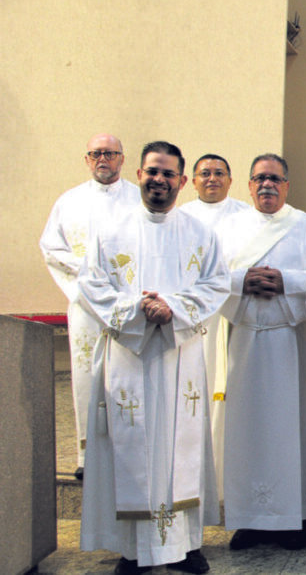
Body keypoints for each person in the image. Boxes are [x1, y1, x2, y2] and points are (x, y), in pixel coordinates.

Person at [77, 141, 229, 575]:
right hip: (129, 354)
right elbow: (91, 285)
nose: (159, 180)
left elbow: (217, 283)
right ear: (139, 175)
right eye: (152, 172)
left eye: (168, 173)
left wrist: (173, 308)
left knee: (183, 448)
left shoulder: (201, 233)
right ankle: (133, 551)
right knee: (133, 448)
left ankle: (187, 545)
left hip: (180, 356)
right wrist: (137, 308)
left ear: (181, 181)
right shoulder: (111, 231)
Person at [216, 154, 306, 551]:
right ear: (249, 186)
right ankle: (249, 520)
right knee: (247, 432)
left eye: (274, 178)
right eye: (259, 178)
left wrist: (287, 281)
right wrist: (242, 281)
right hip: (245, 340)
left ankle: (295, 517)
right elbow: (208, 277)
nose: (267, 185)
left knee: (293, 428)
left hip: (291, 342)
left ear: (287, 185)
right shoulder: (229, 228)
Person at [40, 133, 141, 479]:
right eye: (96, 153)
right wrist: (85, 273)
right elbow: (51, 248)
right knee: (86, 376)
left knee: (127, 376)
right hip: (85, 304)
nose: (103, 159)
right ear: (86, 159)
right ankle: (88, 456)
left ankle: (129, 453)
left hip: (126, 304)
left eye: (110, 153)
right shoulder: (69, 202)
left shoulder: (138, 199)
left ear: (122, 159)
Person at [178, 153, 249, 498]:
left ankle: (228, 472)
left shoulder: (245, 217)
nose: (212, 179)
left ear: (230, 181)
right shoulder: (180, 218)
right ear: (192, 181)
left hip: (231, 317)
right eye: (204, 173)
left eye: (219, 173)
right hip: (191, 319)